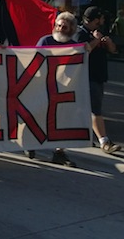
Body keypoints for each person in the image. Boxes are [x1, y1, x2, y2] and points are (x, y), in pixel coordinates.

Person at [31, 12, 83, 166]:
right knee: (38, 116)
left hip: (63, 89)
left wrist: (86, 49)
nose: (60, 29)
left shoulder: (73, 46)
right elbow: (34, 60)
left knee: (62, 120)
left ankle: (59, 152)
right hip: (43, 86)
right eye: (58, 25)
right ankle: (32, 143)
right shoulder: (45, 40)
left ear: (71, 29)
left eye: (64, 27)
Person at [77, 6, 121, 154]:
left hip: (99, 76)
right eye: (101, 18)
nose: (103, 21)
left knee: (90, 108)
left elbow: (114, 51)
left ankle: (87, 136)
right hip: (87, 76)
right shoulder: (80, 32)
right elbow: (82, 51)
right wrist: (96, 40)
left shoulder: (101, 32)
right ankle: (104, 141)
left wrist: (109, 44)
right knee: (96, 110)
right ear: (96, 19)